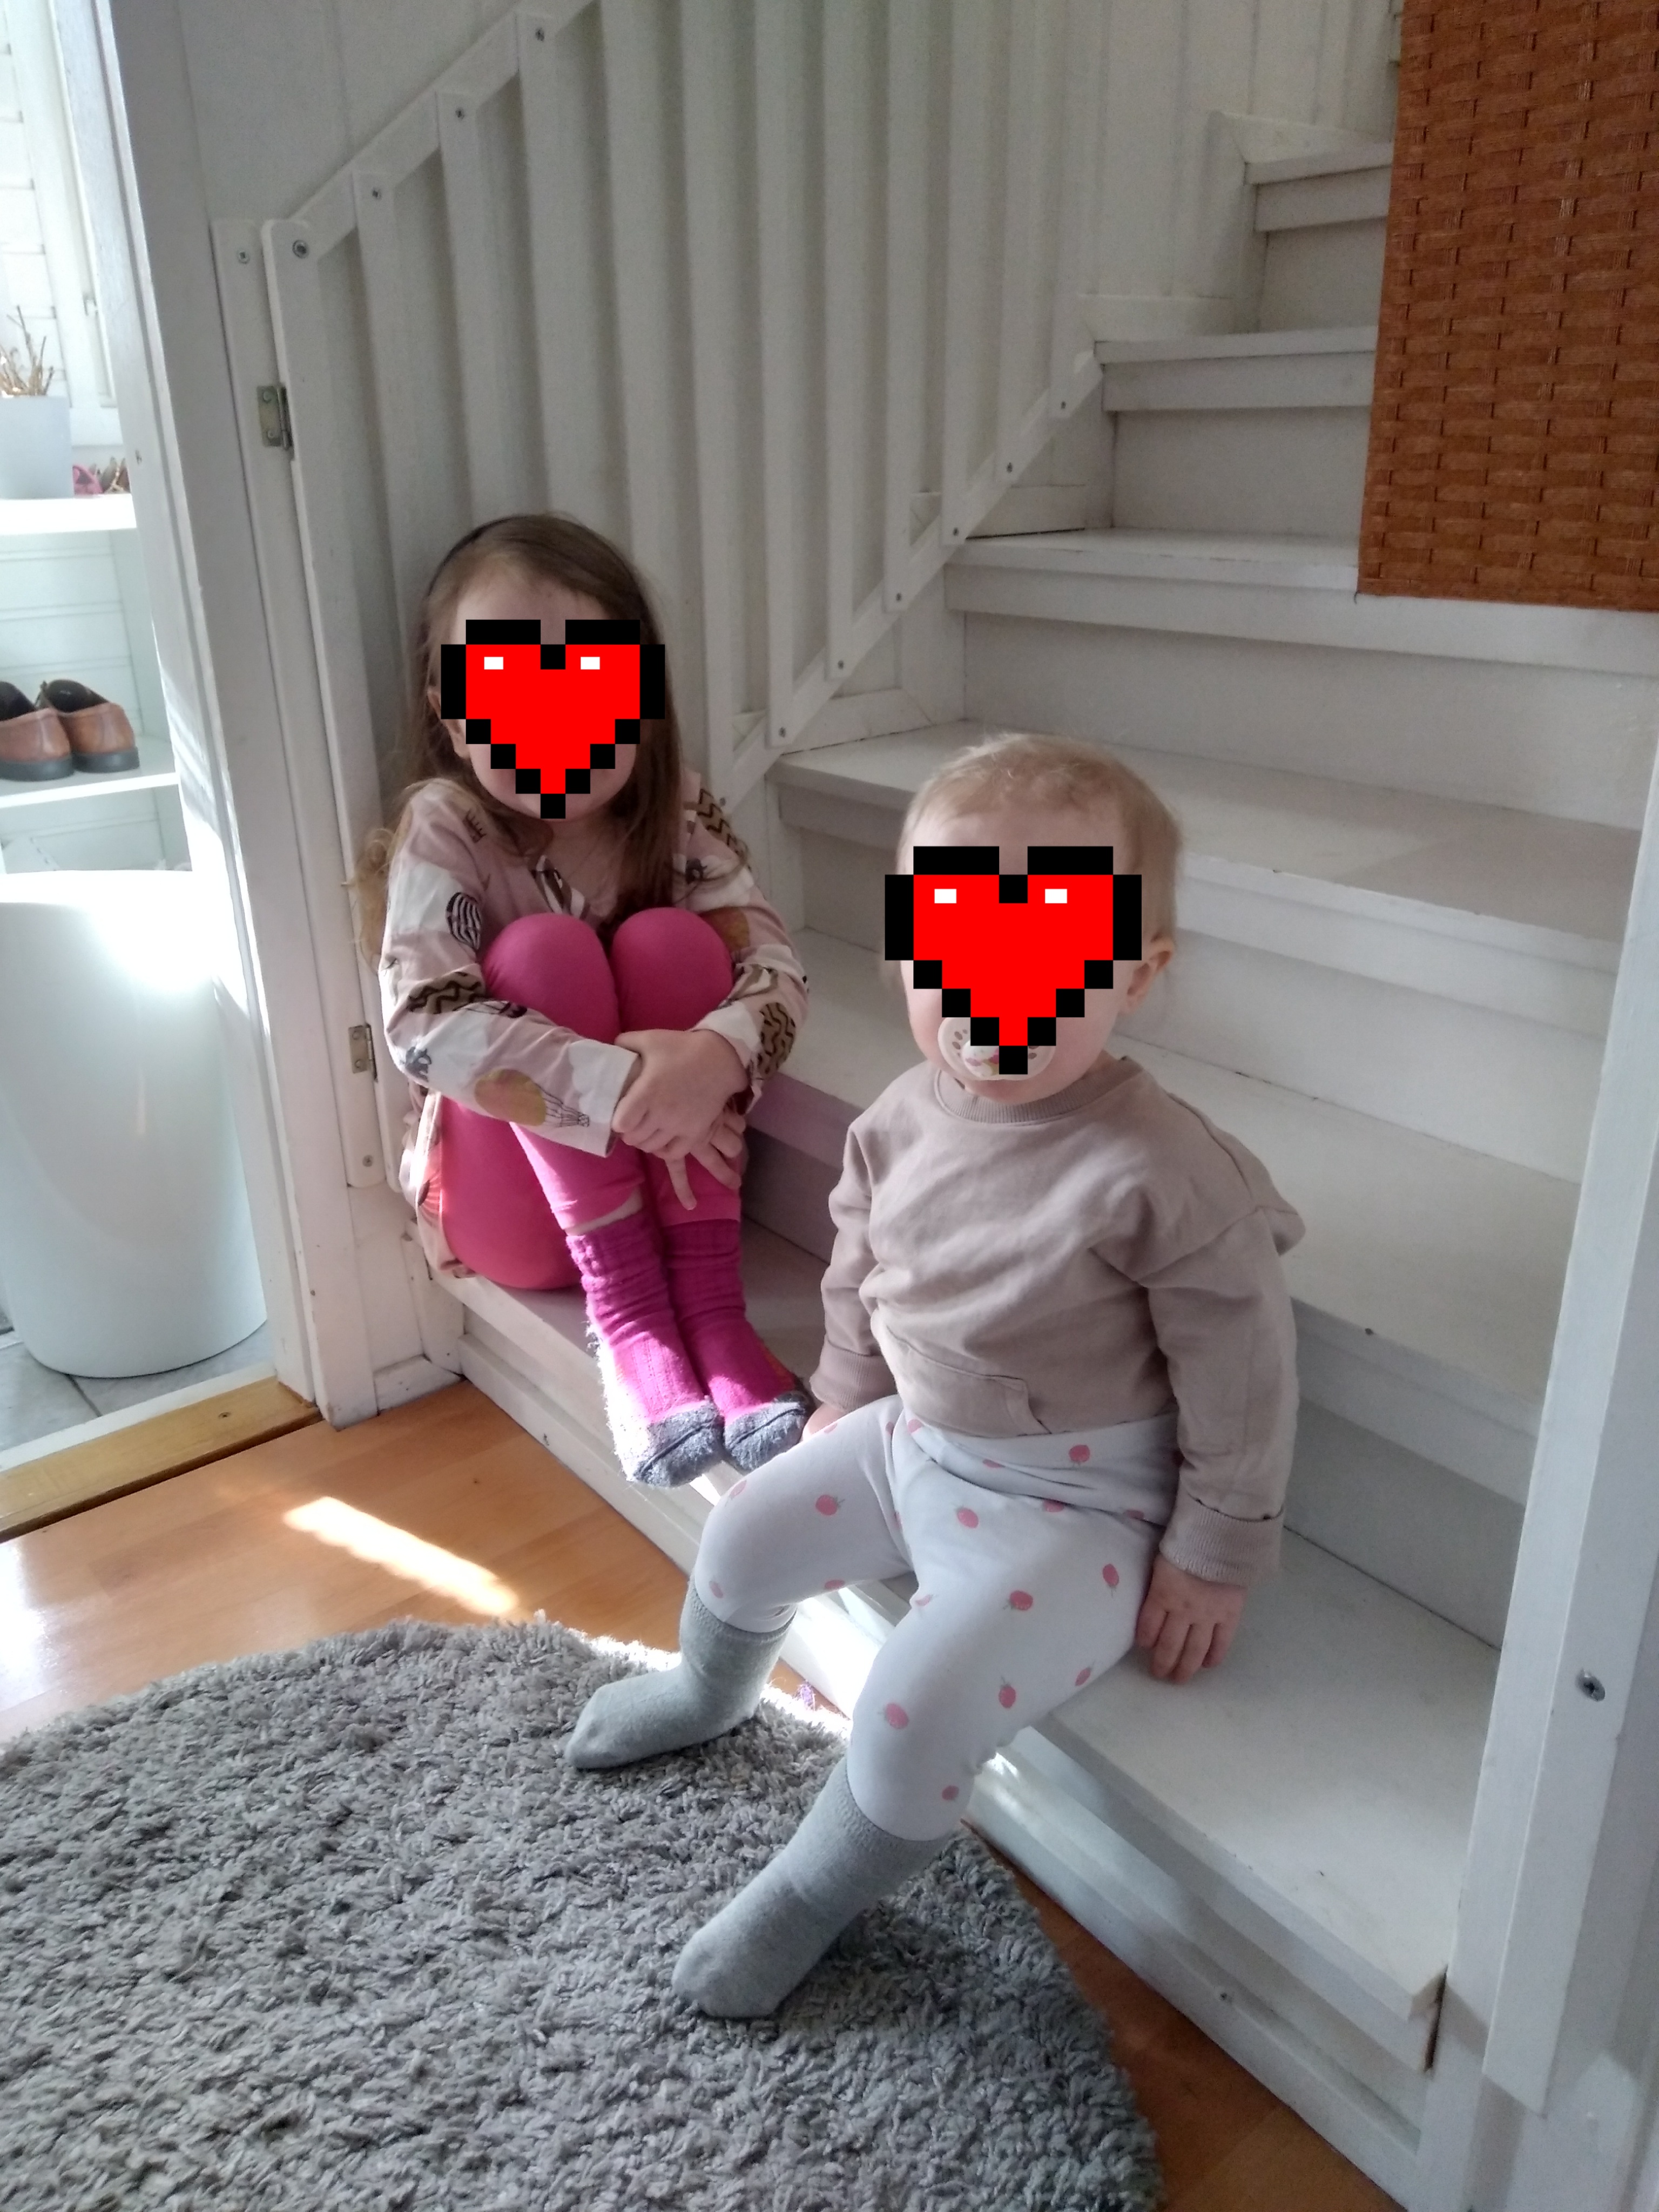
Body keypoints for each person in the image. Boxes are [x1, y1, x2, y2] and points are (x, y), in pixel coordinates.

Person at [564, 730, 1305, 2018]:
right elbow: (864, 1269)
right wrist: (844, 1397)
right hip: (918, 1439)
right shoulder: (901, 1118)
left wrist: (1216, 1548)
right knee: (739, 1531)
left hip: (1081, 1507)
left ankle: (811, 1896)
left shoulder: (1167, 1170)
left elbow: (1244, 1370)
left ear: (1137, 971)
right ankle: (705, 1687)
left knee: (908, 1717)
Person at [356, 513, 810, 1487]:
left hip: (675, 1188)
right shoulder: (450, 824)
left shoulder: (675, 809)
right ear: (449, 709)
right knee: (544, 954)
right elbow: (425, 1024)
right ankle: (632, 1316)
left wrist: (714, 1060)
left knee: (672, 943)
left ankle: (711, 1307)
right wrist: (619, 1088)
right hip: (516, 1216)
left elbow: (775, 966)